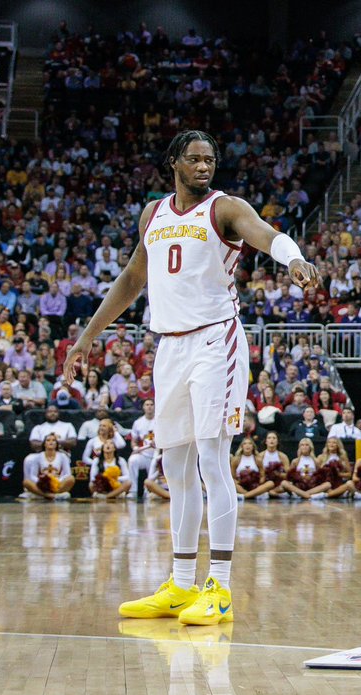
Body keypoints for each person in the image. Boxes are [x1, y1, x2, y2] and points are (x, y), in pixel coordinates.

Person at [63, 130, 319, 626]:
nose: (205, 166)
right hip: (169, 345)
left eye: (211, 159)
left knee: (210, 459)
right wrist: (88, 336)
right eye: (195, 159)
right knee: (174, 466)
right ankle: (181, 585)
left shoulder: (225, 208)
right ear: (174, 162)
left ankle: (219, 587)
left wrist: (293, 259)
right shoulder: (153, 215)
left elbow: (264, 232)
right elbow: (133, 279)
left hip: (215, 341)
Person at [22, 433, 75, 500]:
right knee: (26, 482)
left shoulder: (63, 456)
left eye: (53, 440)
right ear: (44, 444)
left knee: (71, 479)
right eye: (48, 440)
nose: (51, 442)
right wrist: (41, 481)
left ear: (56, 444)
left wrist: (56, 481)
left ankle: (51, 494)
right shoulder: (38, 457)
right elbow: (33, 475)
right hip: (42, 484)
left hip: (57, 484)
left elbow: (68, 474)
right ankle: (49, 495)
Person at [128, 398, 157, 482]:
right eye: (147, 405)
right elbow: (134, 441)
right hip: (144, 454)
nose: (149, 407)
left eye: (151, 405)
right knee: (132, 460)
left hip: (157, 454)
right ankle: (132, 491)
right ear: (143, 407)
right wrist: (135, 448)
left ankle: (150, 493)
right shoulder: (138, 422)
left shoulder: (160, 421)